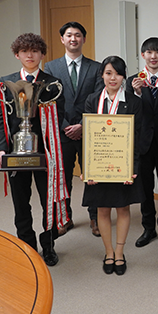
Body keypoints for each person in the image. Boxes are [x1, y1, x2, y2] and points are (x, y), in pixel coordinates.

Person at [0, 32, 65, 266]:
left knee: (48, 201)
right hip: (16, 152)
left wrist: (52, 147)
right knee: (20, 202)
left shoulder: (53, 84)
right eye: (25, 51)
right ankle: (28, 246)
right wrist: (1, 150)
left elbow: (59, 118)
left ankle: (49, 245)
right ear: (17, 54)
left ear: (42, 54)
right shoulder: (5, 83)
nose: (30, 55)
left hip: (45, 151)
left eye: (35, 51)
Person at [82, 56, 143, 276]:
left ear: (124, 76)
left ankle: (119, 252)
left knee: (123, 208)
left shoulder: (133, 102)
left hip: (122, 166)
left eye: (117, 73)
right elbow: (87, 137)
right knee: (102, 208)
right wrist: (87, 168)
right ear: (102, 76)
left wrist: (132, 168)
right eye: (108, 73)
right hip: (98, 166)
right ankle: (108, 252)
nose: (113, 78)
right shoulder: (92, 100)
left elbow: (137, 137)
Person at [44, 21, 103, 237]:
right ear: (62, 39)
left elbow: (98, 100)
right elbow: (50, 100)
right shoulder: (51, 67)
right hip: (63, 131)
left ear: (84, 39)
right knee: (64, 176)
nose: (73, 39)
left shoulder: (96, 67)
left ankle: (95, 217)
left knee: (92, 176)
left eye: (77, 35)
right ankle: (65, 217)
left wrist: (83, 125)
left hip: (89, 130)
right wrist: (66, 126)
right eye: (69, 35)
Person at [127, 38, 158, 250]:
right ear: (143, 55)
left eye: (157, 52)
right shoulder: (133, 81)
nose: (153, 56)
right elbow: (127, 113)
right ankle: (148, 228)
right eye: (148, 52)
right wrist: (136, 93)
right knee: (145, 189)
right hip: (143, 144)